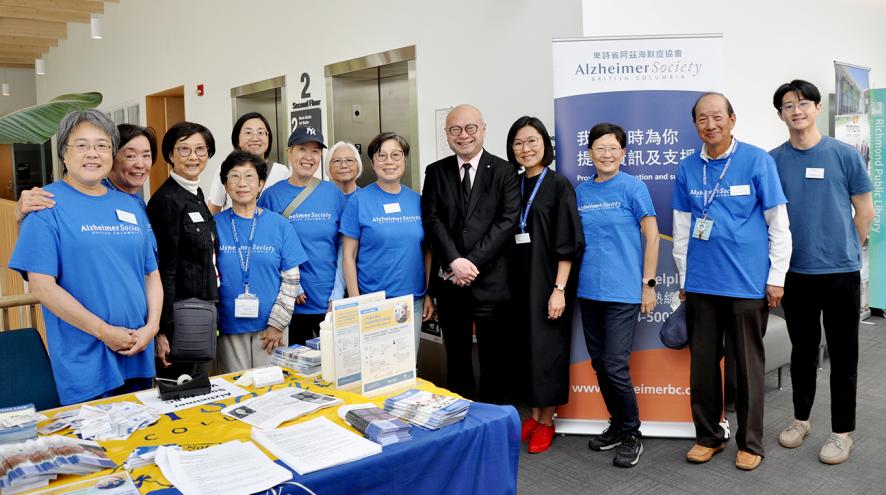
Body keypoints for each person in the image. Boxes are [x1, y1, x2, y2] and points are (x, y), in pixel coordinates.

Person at [672, 93, 792, 471]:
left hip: (746, 285)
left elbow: (779, 224)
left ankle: (751, 444)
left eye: (717, 117)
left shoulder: (757, 160)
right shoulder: (687, 168)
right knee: (703, 367)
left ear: (732, 119)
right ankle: (709, 436)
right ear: (695, 126)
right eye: (702, 119)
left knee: (747, 368)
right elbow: (681, 229)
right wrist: (684, 278)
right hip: (703, 286)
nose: (711, 125)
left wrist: (776, 277)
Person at [8, 109, 161, 405]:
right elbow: (43, 287)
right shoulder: (44, 207)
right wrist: (104, 332)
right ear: (64, 154)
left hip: (138, 352)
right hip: (86, 363)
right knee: (97, 448)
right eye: (82, 145)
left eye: (102, 145)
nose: (93, 153)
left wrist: (151, 328)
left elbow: (150, 273)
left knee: (145, 445)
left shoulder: (130, 205)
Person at [769, 80, 874, 465]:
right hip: (796, 274)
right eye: (787, 105)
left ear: (815, 108)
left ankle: (842, 432)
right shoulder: (773, 160)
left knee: (844, 356)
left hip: (840, 272)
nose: (796, 110)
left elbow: (864, 211)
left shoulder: (844, 155)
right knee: (802, 352)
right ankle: (801, 420)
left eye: (803, 103)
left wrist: (845, 248)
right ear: (780, 114)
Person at [421, 104, 520, 402]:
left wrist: (470, 263)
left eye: (470, 128)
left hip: (491, 282)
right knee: (457, 357)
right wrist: (454, 261)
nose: (463, 135)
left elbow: (507, 221)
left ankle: (492, 419)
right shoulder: (436, 171)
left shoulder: (504, 171)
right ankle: (460, 420)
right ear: (447, 134)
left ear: (483, 129)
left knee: (494, 359)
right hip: (452, 284)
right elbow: (432, 219)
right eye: (455, 130)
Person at [576, 123, 659, 467]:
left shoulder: (633, 187)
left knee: (614, 364)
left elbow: (652, 236)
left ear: (623, 153)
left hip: (622, 292)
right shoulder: (580, 192)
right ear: (590, 153)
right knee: (599, 364)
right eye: (600, 148)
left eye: (613, 148)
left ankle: (632, 432)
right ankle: (617, 424)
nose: (607, 154)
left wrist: (648, 284)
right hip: (587, 290)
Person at [504, 117, 583, 454]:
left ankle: (548, 421)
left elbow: (569, 241)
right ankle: (535, 415)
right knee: (527, 350)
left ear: (545, 145)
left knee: (548, 350)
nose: (526, 148)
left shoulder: (558, 185)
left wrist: (559, 289)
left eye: (532, 141)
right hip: (517, 281)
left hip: (548, 281)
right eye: (519, 143)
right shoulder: (513, 184)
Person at [214, 151, 308, 373]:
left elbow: (291, 280)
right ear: (226, 186)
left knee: (271, 392)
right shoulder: (213, 225)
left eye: (249, 177)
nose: (242, 184)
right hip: (228, 326)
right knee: (234, 390)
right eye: (234, 177)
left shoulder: (279, 225)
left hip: (271, 329)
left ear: (260, 184)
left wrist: (278, 323)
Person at [340, 132, 434, 351]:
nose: (389, 161)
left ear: (404, 160)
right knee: (377, 367)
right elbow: (348, 255)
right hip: (374, 303)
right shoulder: (359, 202)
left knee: (407, 366)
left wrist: (429, 292)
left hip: (413, 301)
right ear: (372, 162)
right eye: (381, 156)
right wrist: (356, 301)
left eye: (396, 155)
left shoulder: (417, 201)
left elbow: (427, 251)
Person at [258, 126, 347, 344]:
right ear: (289, 152)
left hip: (329, 301)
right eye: (302, 149)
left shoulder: (333, 193)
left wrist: (338, 292)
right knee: (294, 372)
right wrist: (293, 285)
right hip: (289, 303)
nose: (309, 157)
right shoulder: (271, 196)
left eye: (315, 151)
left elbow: (345, 246)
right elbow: (265, 247)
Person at [146, 121, 218, 379]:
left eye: (201, 150)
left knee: (198, 392)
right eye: (184, 149)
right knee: (181, 393)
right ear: (170, 155)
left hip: (199, 313)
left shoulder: (194, 192)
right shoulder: (167, 201)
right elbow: (165, 267)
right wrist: (162, 330)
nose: (193, 157)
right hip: (178, 320)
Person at [14, 124, 157, 221]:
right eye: (130, 156)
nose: (140, 164)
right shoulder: (88, 197)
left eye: (146, 155)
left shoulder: (134, 200)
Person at [208, 112, 291, 214]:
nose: (255, 138)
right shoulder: (227, 168)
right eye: (248, 133)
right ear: (237, 138)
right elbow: (213, 212)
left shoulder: (281, 171)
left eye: (261, 132)